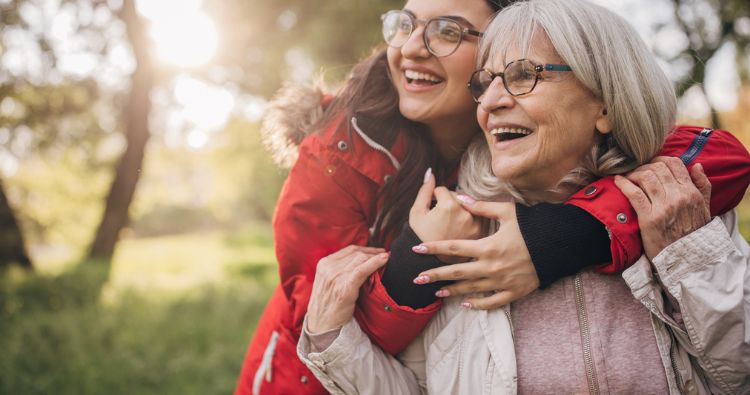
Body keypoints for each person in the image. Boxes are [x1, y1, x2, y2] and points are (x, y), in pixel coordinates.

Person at [236, 0, 750, 393]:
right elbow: (341, 335)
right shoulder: (354, 159)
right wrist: (412, 261)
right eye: (406, 24)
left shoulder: (674, 211)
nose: (412, 47)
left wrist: (566, 235)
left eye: (447, 31)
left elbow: (722, 156)